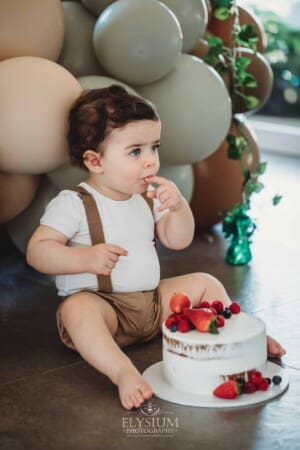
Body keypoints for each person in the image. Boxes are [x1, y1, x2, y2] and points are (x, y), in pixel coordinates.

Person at [26, 85, 286, 410]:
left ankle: (243, 338)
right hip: (106, 312)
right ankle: (121, 371)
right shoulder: (74, 203)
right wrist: (84, 257)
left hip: (152, 305)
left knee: (205, 282)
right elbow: (38, 251)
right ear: (95, 161)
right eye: (136, 151)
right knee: (76, 309)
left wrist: (178, 208)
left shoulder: (147, 197)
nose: (150, 161)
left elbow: (178, 240)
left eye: (154, 147)